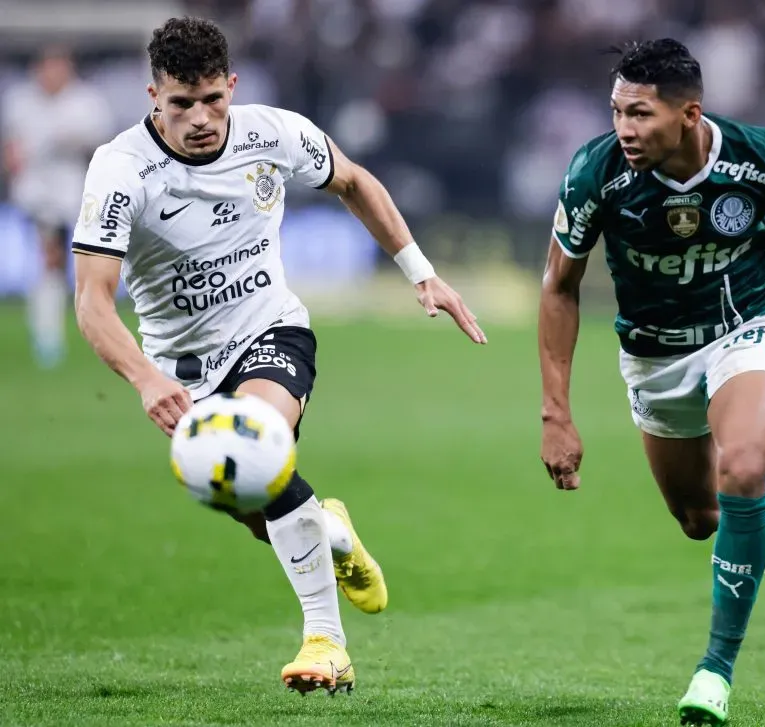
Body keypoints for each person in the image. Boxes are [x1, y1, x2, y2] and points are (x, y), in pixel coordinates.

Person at [72, 17, 486, 696]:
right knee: (252, 500)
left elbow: (353, 180)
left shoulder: (272, 132)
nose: (200, 118)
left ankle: (327, 643)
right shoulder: (121, 171)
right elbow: (92, 301)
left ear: (232, 86)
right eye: (182, 103)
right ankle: (332, 531)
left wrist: (421, 272)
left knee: (253, 446)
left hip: (271, 331)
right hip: (179, 370)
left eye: (213, 99)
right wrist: (145, 378)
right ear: (154, 97)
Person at [537, 39, 765, 725]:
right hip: (654, 355)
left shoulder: (764, 157)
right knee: (701, 519)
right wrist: (556, 412)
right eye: (616, 112)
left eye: (640, 114)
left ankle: (715, 669)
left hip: (746, 328)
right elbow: (559, 286)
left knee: (740, 471)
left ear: (689, 113)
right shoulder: (596, 172)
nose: (624, 129)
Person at [2, 45, 114, 367]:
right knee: (49, 259)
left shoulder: (87, 103)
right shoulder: (20, 102)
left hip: (76, 197)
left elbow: (103, 149)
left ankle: (62, 325)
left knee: (73, 267)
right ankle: (48, 337)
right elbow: (12, 150)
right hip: (36, 196)